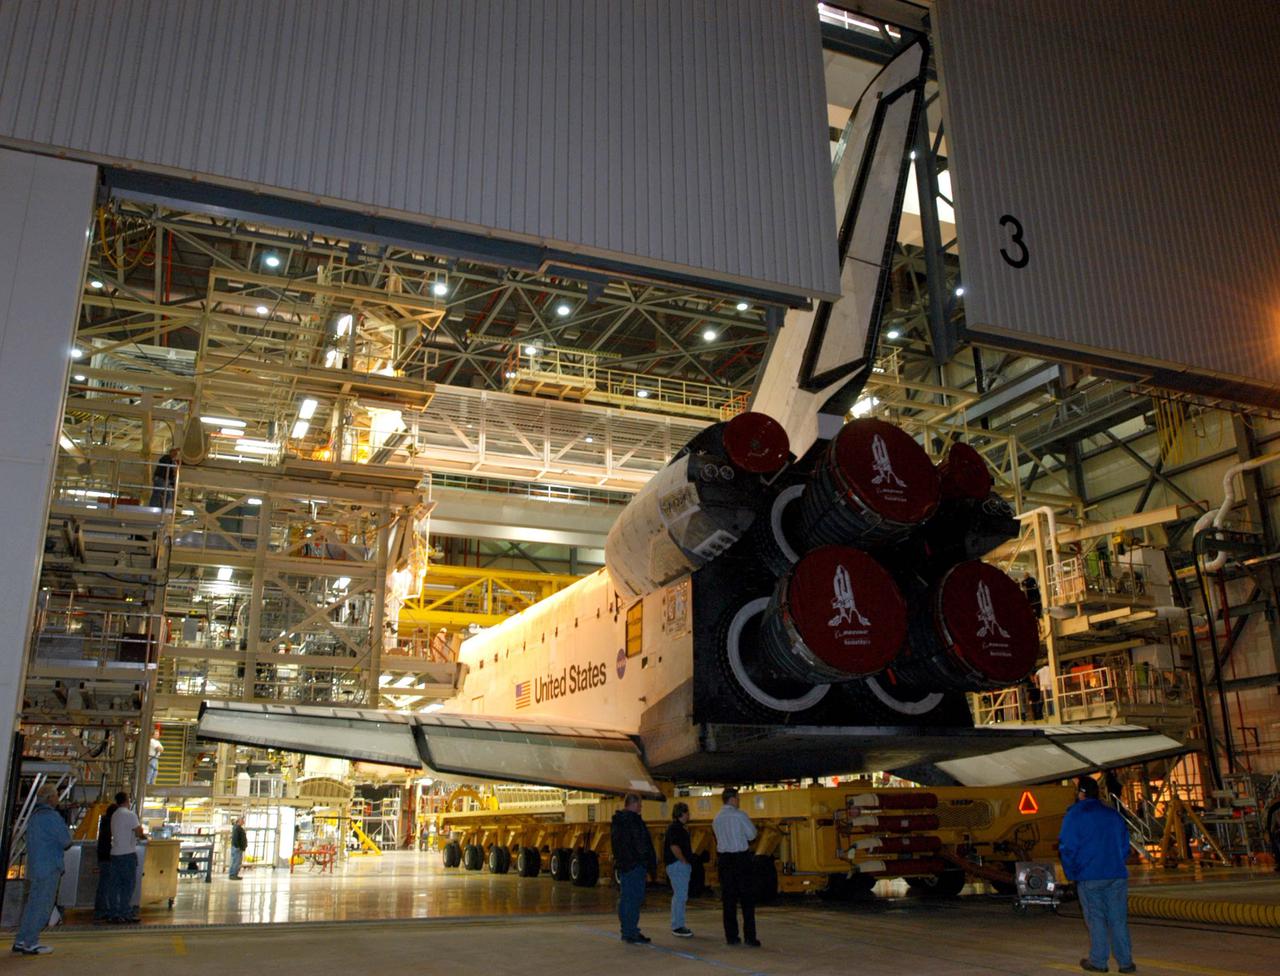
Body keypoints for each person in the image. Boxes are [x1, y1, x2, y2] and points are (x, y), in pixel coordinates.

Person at [1059, 776, 1135, 974]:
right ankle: (1126, 963)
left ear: (1081, 793)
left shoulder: (1074, 815)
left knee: (1096, 920)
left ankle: (1099, 961)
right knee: (1118, 920)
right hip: (1116, 874)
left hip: (1090, 875)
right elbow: (1125, 846)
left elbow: (1067, 848)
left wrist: (1071, 873)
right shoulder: (1112, 815)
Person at [12, 785, 71, 955]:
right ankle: (31, 942)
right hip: (50, 866)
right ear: (51, 798)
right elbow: (66, 841)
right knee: (43, 906)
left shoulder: (35, 816)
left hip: (36, 866)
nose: (58, 798)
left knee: (32, 905)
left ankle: (21, 940)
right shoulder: (52, 817)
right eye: (57, 796)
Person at [712, 786, 759, 948]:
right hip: (741, 859)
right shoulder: (739, 815)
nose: (739, 801)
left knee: (729, 900)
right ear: (732, 799)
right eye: (738, 798)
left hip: (725, 861)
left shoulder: (717, 818)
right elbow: (752, 835)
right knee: (747, 899)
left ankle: (731, 936)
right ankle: (750, 937)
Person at [609, 792, 656, 944]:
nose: (641, 807)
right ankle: (631, 932)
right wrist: (646, 861)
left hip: (625, 865)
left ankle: (627, 930)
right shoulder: (633, 821)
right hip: (635, 865)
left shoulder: (618, 821)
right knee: (634, 899)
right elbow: (641, 844)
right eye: (640, 804)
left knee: (626, 898)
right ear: (633, 804)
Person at [107, 792, 145, 923]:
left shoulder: (114, 815)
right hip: (127, 854)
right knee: (127, 885)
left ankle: (114, 913)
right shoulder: (130, 814)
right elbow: (139, 832)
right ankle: (126, 912)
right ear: (127, 801)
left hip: (115, 854)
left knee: (114, 886)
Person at [663, 802, 694, 938]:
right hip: (678, 865)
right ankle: (678, 925)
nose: (689, 815)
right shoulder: (676, 828)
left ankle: (678, 924)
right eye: (687, 812)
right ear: (681, 813)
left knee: (679, 895)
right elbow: (674, 846)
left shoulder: (677, 827)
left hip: (676, 864)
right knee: (680, 895)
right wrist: (683, 860)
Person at [93, 797, 119, 922]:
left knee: (103, 884)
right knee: (106, 884)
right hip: (108, 858)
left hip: (102, 857)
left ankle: (101, 909)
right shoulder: (110, 825)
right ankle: (103, 910)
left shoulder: (104, 823)